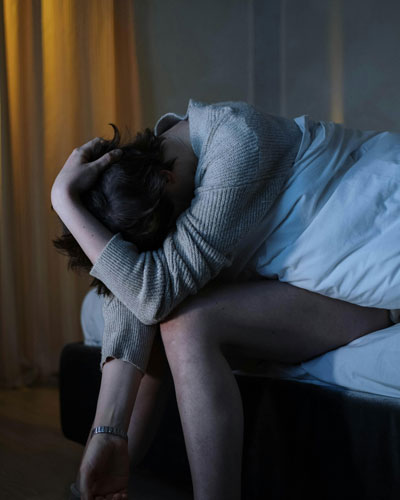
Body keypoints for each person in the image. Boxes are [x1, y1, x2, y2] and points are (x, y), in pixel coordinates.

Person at [51, 99, 398, 500]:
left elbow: (151, 293)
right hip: (305, 290)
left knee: (184, 321)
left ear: (166, 178)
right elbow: (131, 287)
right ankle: (98, 483)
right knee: (163, 314)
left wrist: (62, 198)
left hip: (362, 292)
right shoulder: (153, 165)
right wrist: (106, 431)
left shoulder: (239, 143)